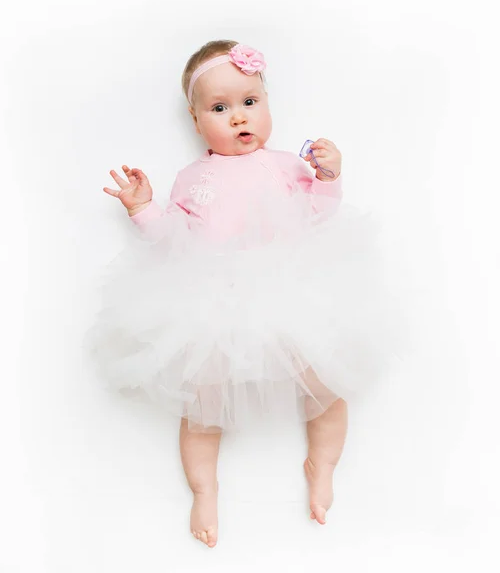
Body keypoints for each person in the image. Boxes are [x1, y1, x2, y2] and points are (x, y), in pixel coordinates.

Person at [85, 40, 410, 548]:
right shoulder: (193, 178)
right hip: (216, 303)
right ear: (196, 123)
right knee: (202, 406)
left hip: (290, 295)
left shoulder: (286, 165)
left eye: (250, 102)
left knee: (325, 385)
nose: (239, 117)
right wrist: (144, 208)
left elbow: (319, 214)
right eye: (220, 108)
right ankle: (204, 489)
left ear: (266, 103)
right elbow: (174, 238)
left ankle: (321, 468)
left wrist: (328, 175)